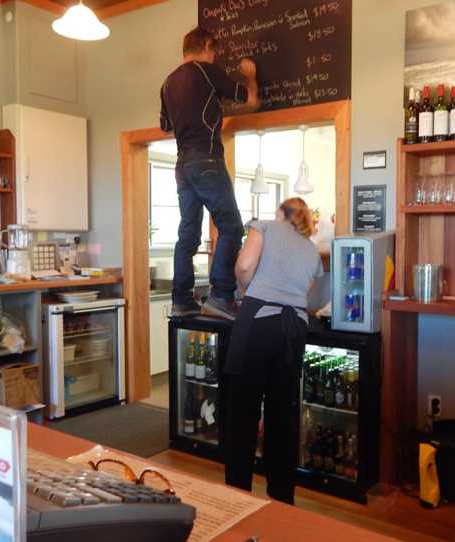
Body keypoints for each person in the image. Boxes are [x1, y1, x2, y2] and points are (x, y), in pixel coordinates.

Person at [223, 197, 324, 505]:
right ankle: (282, 500)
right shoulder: (312, 251)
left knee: (242, 412)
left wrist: (244, 289)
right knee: (283, 415)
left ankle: (238, 496)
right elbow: (309, 295)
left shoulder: (264, 226)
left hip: (258, 320)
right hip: (294, 329)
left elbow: (244, 265)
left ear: (281, 213)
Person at [160, 26, 260, 319]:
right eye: (213, 50)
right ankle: (221, 296)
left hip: (182, 165)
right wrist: (250, 75)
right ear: (205, 45)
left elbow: (166, 128)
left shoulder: (167, 83)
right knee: (230, 226)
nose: (215, 56)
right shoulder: (206, 70)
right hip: (207, 160)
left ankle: (181, 300)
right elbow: (251, 101)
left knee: (187, 234)